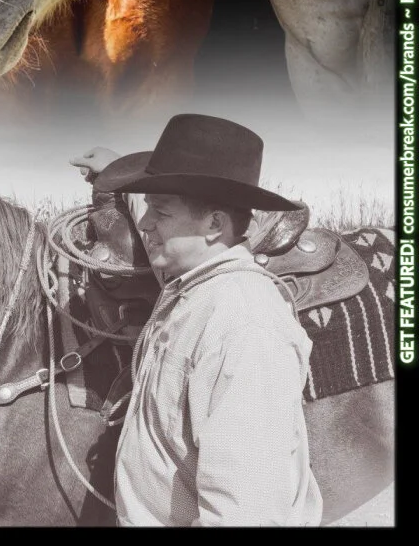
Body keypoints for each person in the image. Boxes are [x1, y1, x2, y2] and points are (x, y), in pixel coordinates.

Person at [94, 113, 322, 526]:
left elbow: (245, 513)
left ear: (215, 224)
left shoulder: (245, 325)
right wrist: (117, 169)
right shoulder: (196, 285)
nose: (144, 223)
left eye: (159, 212)